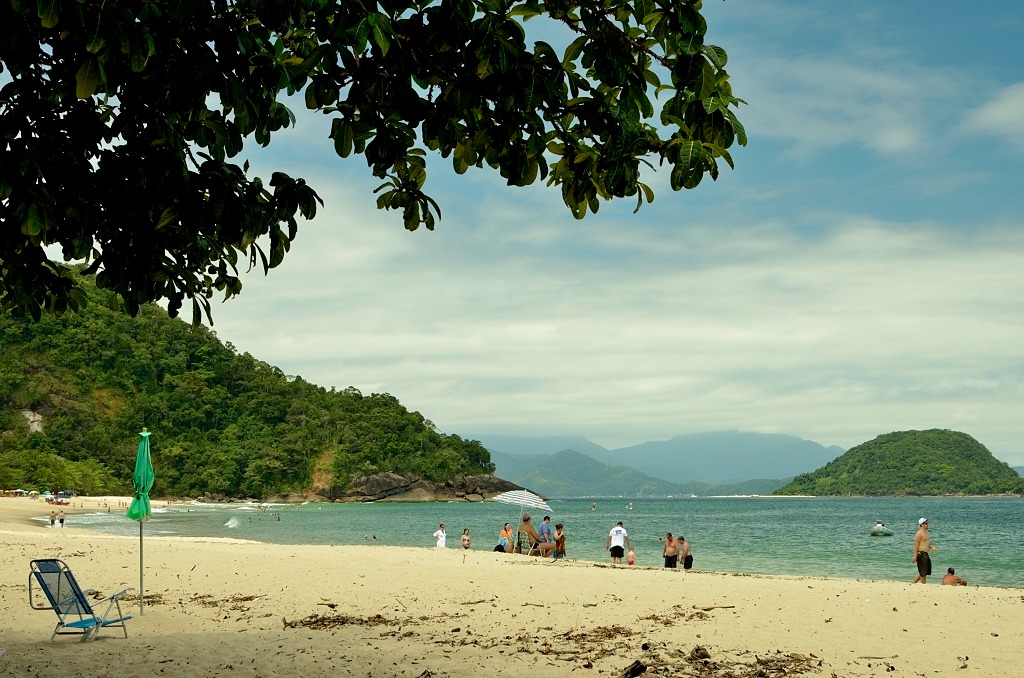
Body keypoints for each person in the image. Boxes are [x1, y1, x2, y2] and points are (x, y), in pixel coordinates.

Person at [912, 518, 937, 584]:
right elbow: (916, 544)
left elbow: (926, 543)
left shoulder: (926, 533)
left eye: (927, 523)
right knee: (923, 573)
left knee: (925, 571)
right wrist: (915, 555)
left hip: (925, 554)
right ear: (921, 524)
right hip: (921, 553)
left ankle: (914, 582)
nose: (927, 525)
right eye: (926, 523)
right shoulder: (919, 533)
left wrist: (931, 547)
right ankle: (923, 586)